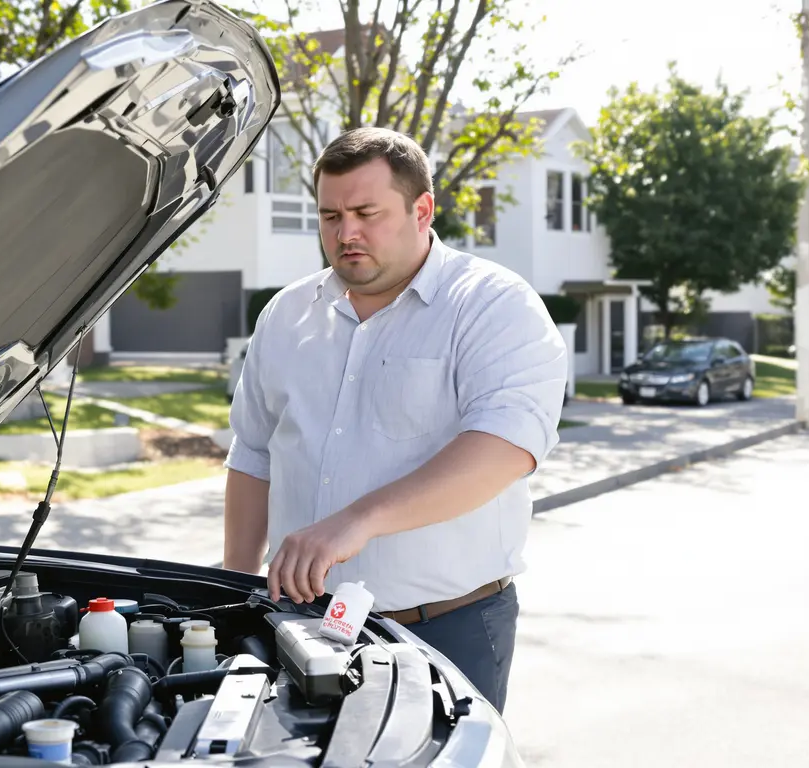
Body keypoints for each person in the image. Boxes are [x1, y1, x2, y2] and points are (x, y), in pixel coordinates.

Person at [223, 127, 568, 713]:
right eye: (330, 215)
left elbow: (506, 448)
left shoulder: (493, 304)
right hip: (298, 624)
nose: (345, 232)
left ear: (422, 209)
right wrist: (231, 589)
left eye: (366, 213)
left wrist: (357, 521)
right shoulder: (285, 314)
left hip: (444, 630)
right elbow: (254, 455)